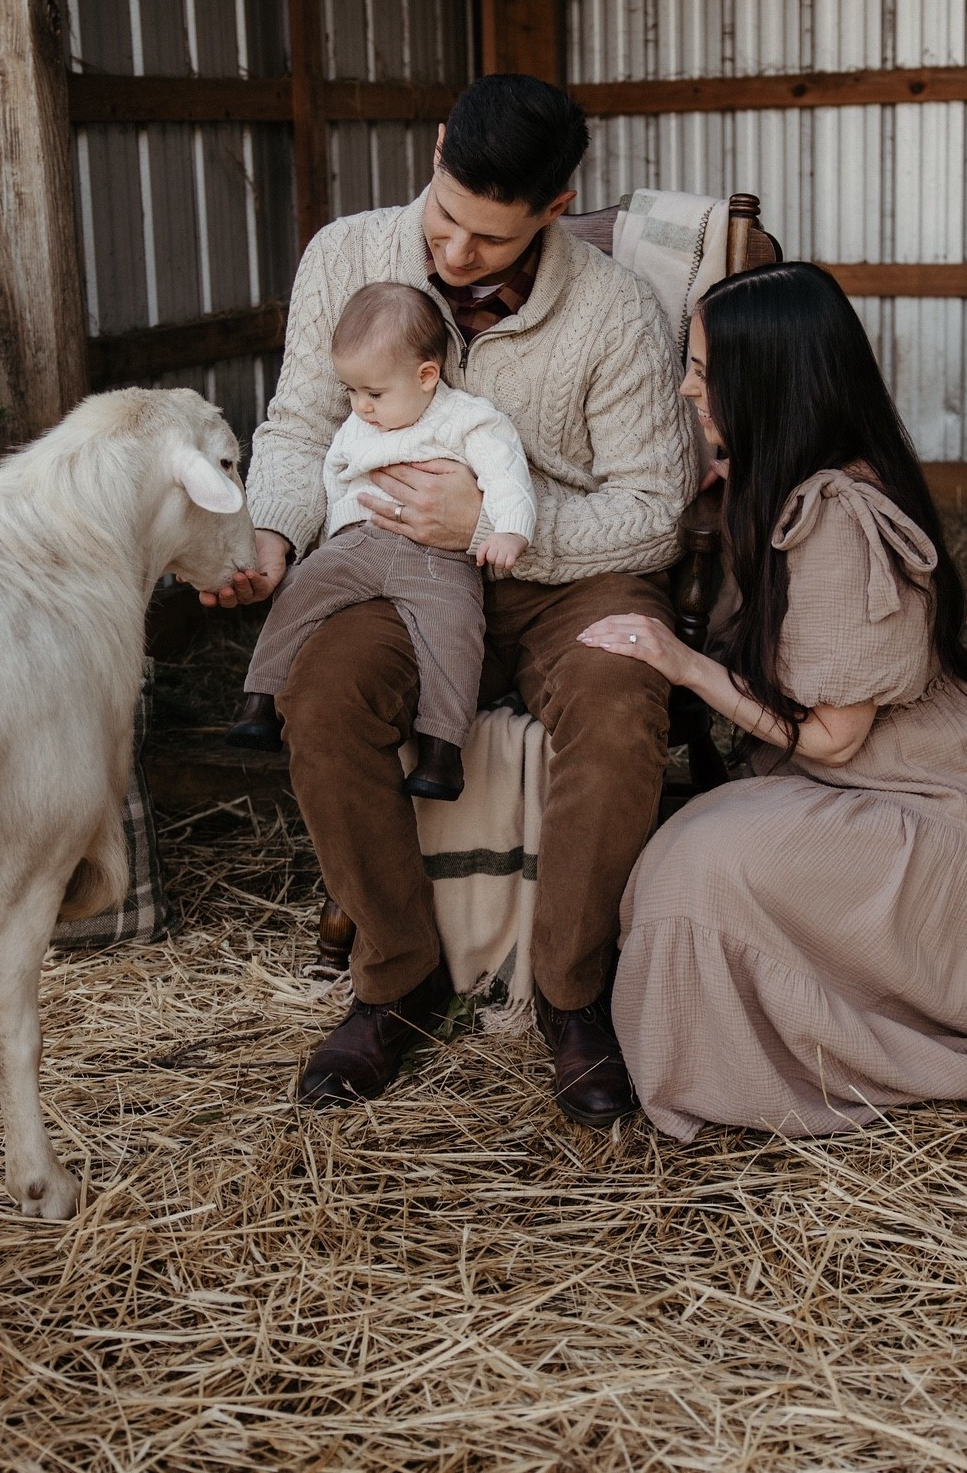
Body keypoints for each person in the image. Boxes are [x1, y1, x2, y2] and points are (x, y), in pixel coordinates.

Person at [580, 262, 967, 1141]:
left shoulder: (838, 521)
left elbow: (828, 737)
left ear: (769, 381)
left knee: (701, 861)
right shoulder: (783, 479)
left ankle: (751, 1071)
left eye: (706, 372)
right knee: (685, 849)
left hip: (933, 828)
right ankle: (713, 1048)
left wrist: (685, 664)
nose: (686, 386)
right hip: (871, 791)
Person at [205, 75, 698, 1127]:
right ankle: (398, 980)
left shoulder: (616, 309)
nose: (455, 254)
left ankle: (574, 996)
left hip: (571, 577)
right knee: (323, 690)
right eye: (445, 218)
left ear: (556, 209)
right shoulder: (344, 254)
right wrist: (273, 532)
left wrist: (490, 523)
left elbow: (656, 511)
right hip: (395, 564)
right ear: (436, 149)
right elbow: (297, 424)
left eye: (489, 237)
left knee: (619, 706)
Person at [236, 282, 535, 802]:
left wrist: (509, 528)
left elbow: (507, 474)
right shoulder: (358, 424)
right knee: (299, 595)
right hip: (359, 543)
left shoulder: (469, 420)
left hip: (438, 557)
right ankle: (260, 698)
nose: (361, 407)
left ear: (426, 376)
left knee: (454, 634)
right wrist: (330, 537)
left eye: (374, 394)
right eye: (352, 392)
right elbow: (335, 475)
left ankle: (442, 751)